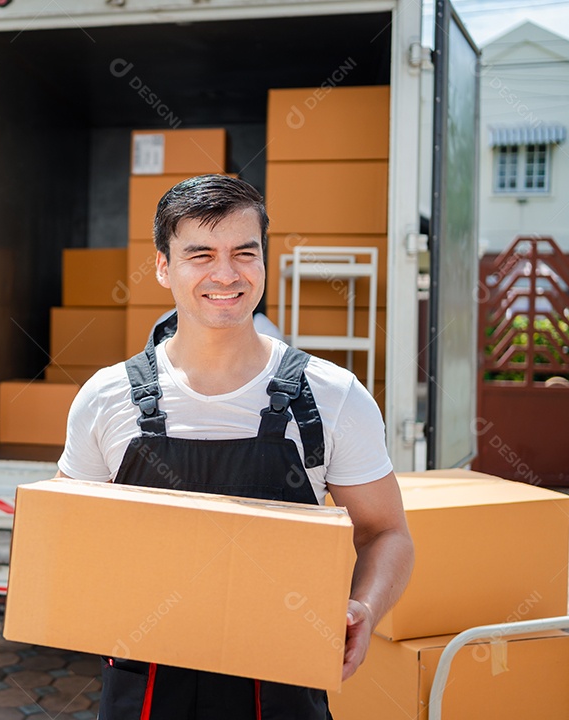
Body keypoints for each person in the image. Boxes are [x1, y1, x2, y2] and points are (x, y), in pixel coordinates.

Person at [56, 175, 414, 719]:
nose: (226, 274)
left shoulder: (333, 396)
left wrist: (364, 607)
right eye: (200, 254)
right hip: (143, 691)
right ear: (162, 266)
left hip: (282, 690)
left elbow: (386, 532)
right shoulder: (107, 399)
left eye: (244, 253)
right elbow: (69, 532)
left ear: (264, 263)